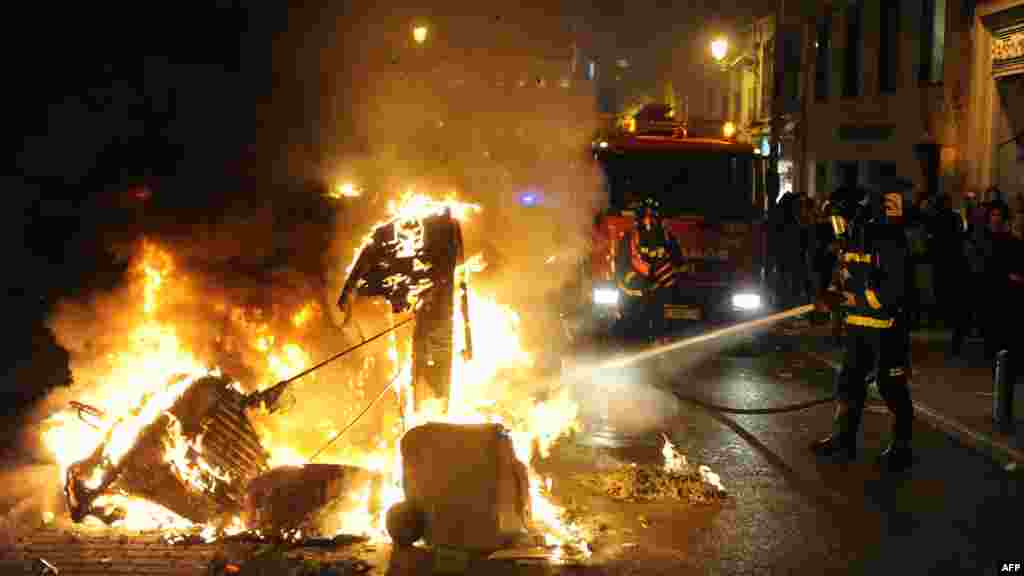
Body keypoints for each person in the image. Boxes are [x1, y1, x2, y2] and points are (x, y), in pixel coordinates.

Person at [811, 179, 915, 472]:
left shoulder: (890, 240)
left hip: (887, 329)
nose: (835, 226)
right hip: (858, 327)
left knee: (891, 386)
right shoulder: (853, 239)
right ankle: (843, 438)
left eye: (837, 219)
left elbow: (893, 291)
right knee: (849, 384)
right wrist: (830, 294)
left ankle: (901, 447)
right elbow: (844, 272)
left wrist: (857, 296)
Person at [617, 196, 680, 342]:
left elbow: (678, 264)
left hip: (658, 295)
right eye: (646, 215)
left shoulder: (667, 238)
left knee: (658, 331)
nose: (649, 220)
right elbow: (621, 269)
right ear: (638, 218)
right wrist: (636, 283)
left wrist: (666, 279)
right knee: (635, 335)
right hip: (635, 297)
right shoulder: (630, 238)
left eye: (652, 216)